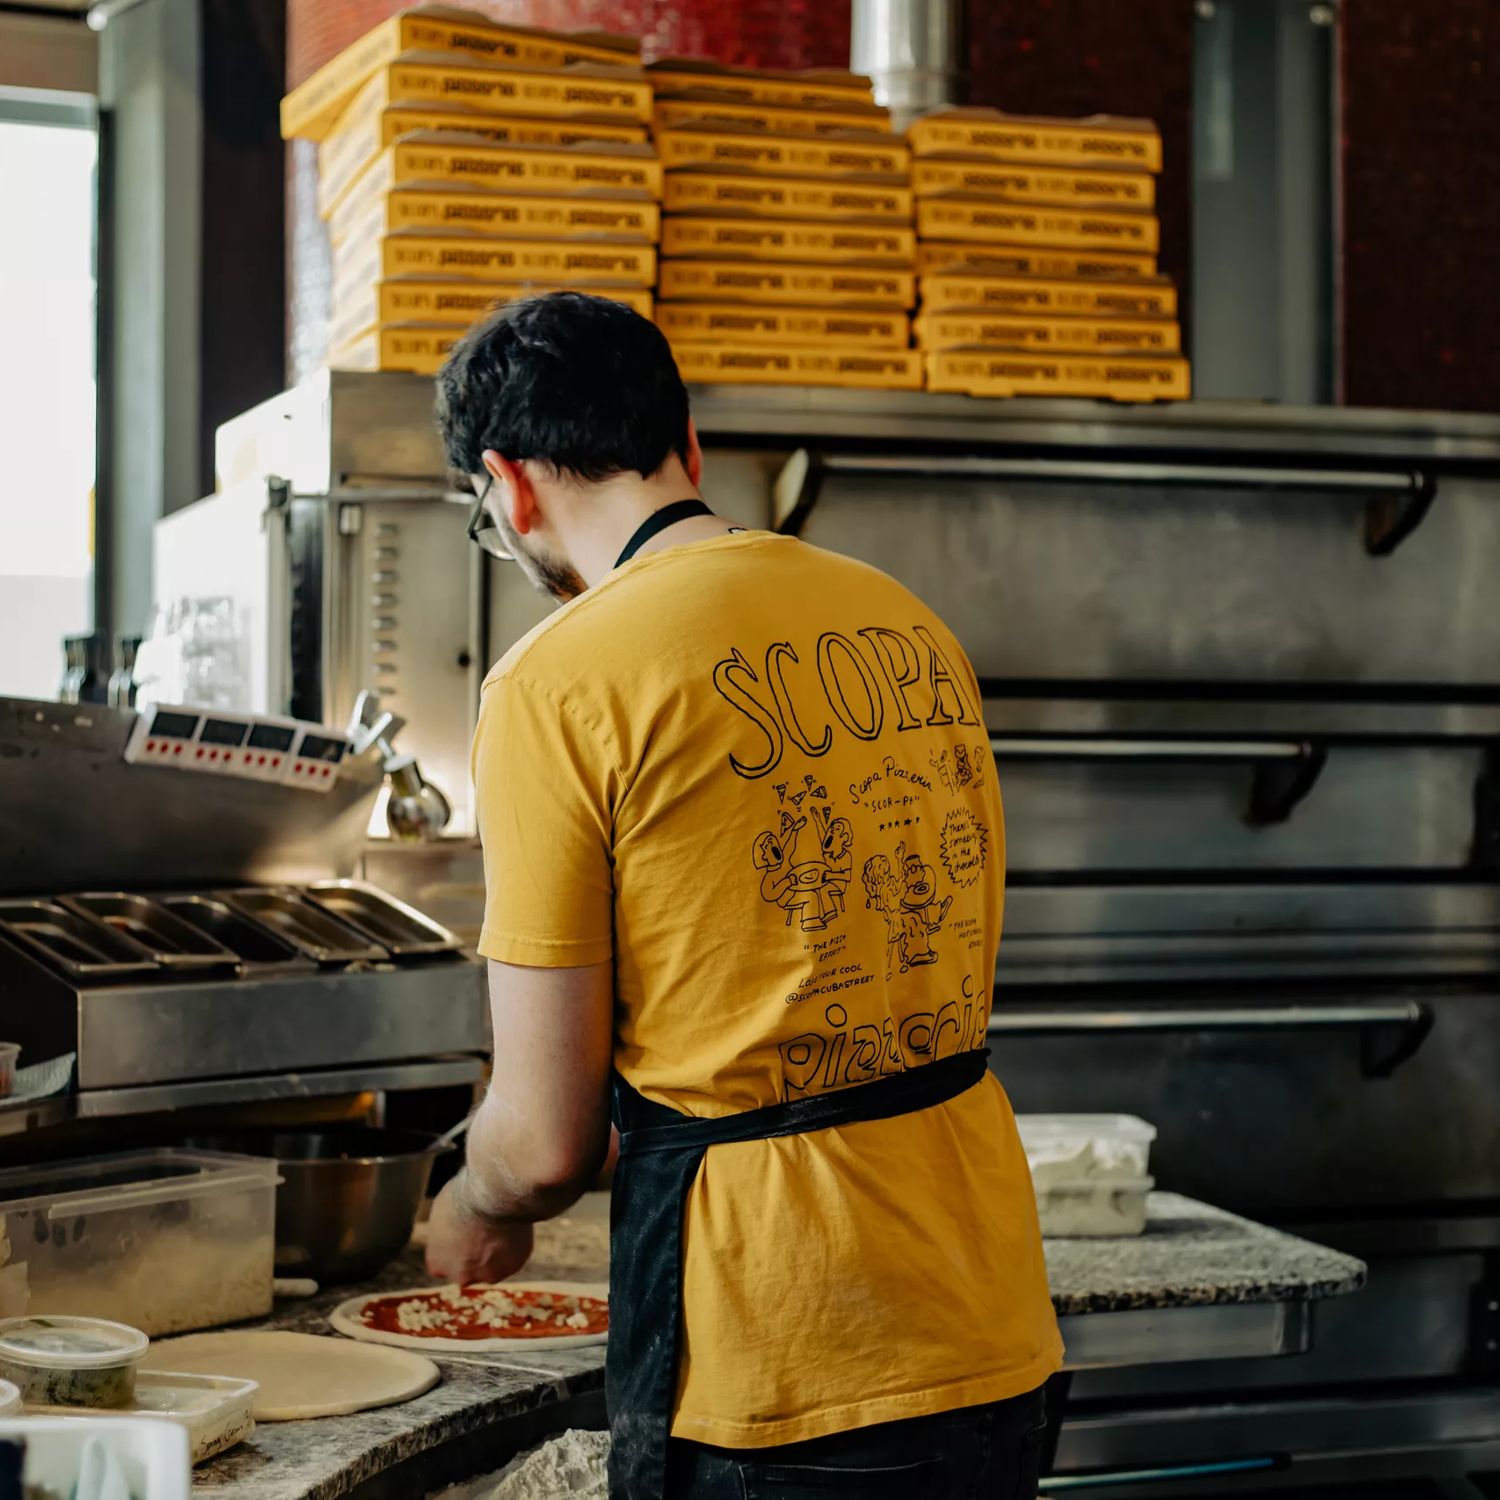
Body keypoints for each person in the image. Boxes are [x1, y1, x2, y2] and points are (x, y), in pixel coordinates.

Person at [425, 291, 1062, 1499]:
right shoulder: (904, 620)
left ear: (507, 487)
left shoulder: (559, 683)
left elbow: (548, 1139)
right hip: (989, 1314)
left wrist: (475, 1198)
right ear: (690, 448)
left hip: (782, 1356)